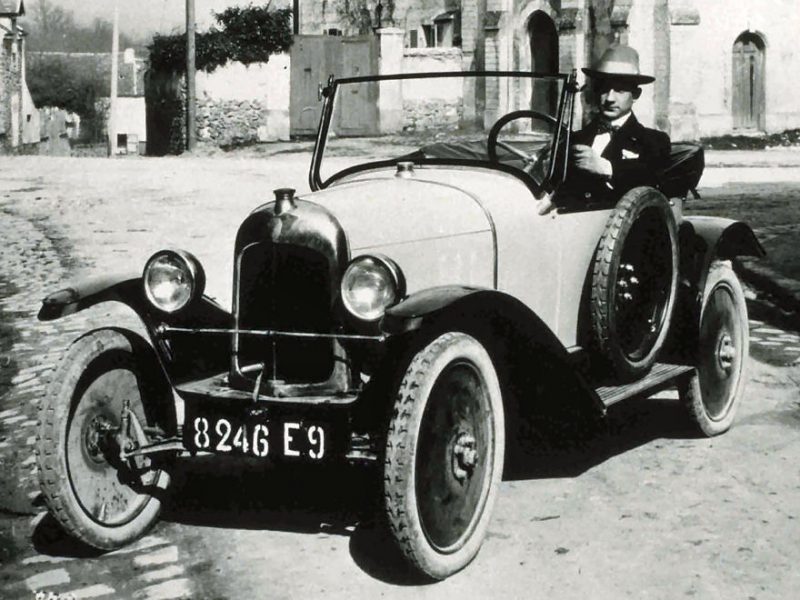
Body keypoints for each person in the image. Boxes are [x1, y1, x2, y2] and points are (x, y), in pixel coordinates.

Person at [569, 45, 671, 196]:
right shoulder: (575, 139)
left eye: (620, 90)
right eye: (604, 89)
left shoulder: (654, 141)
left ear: (635, 95)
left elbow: (651, 178)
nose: (610, 98)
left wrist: (606, 168)